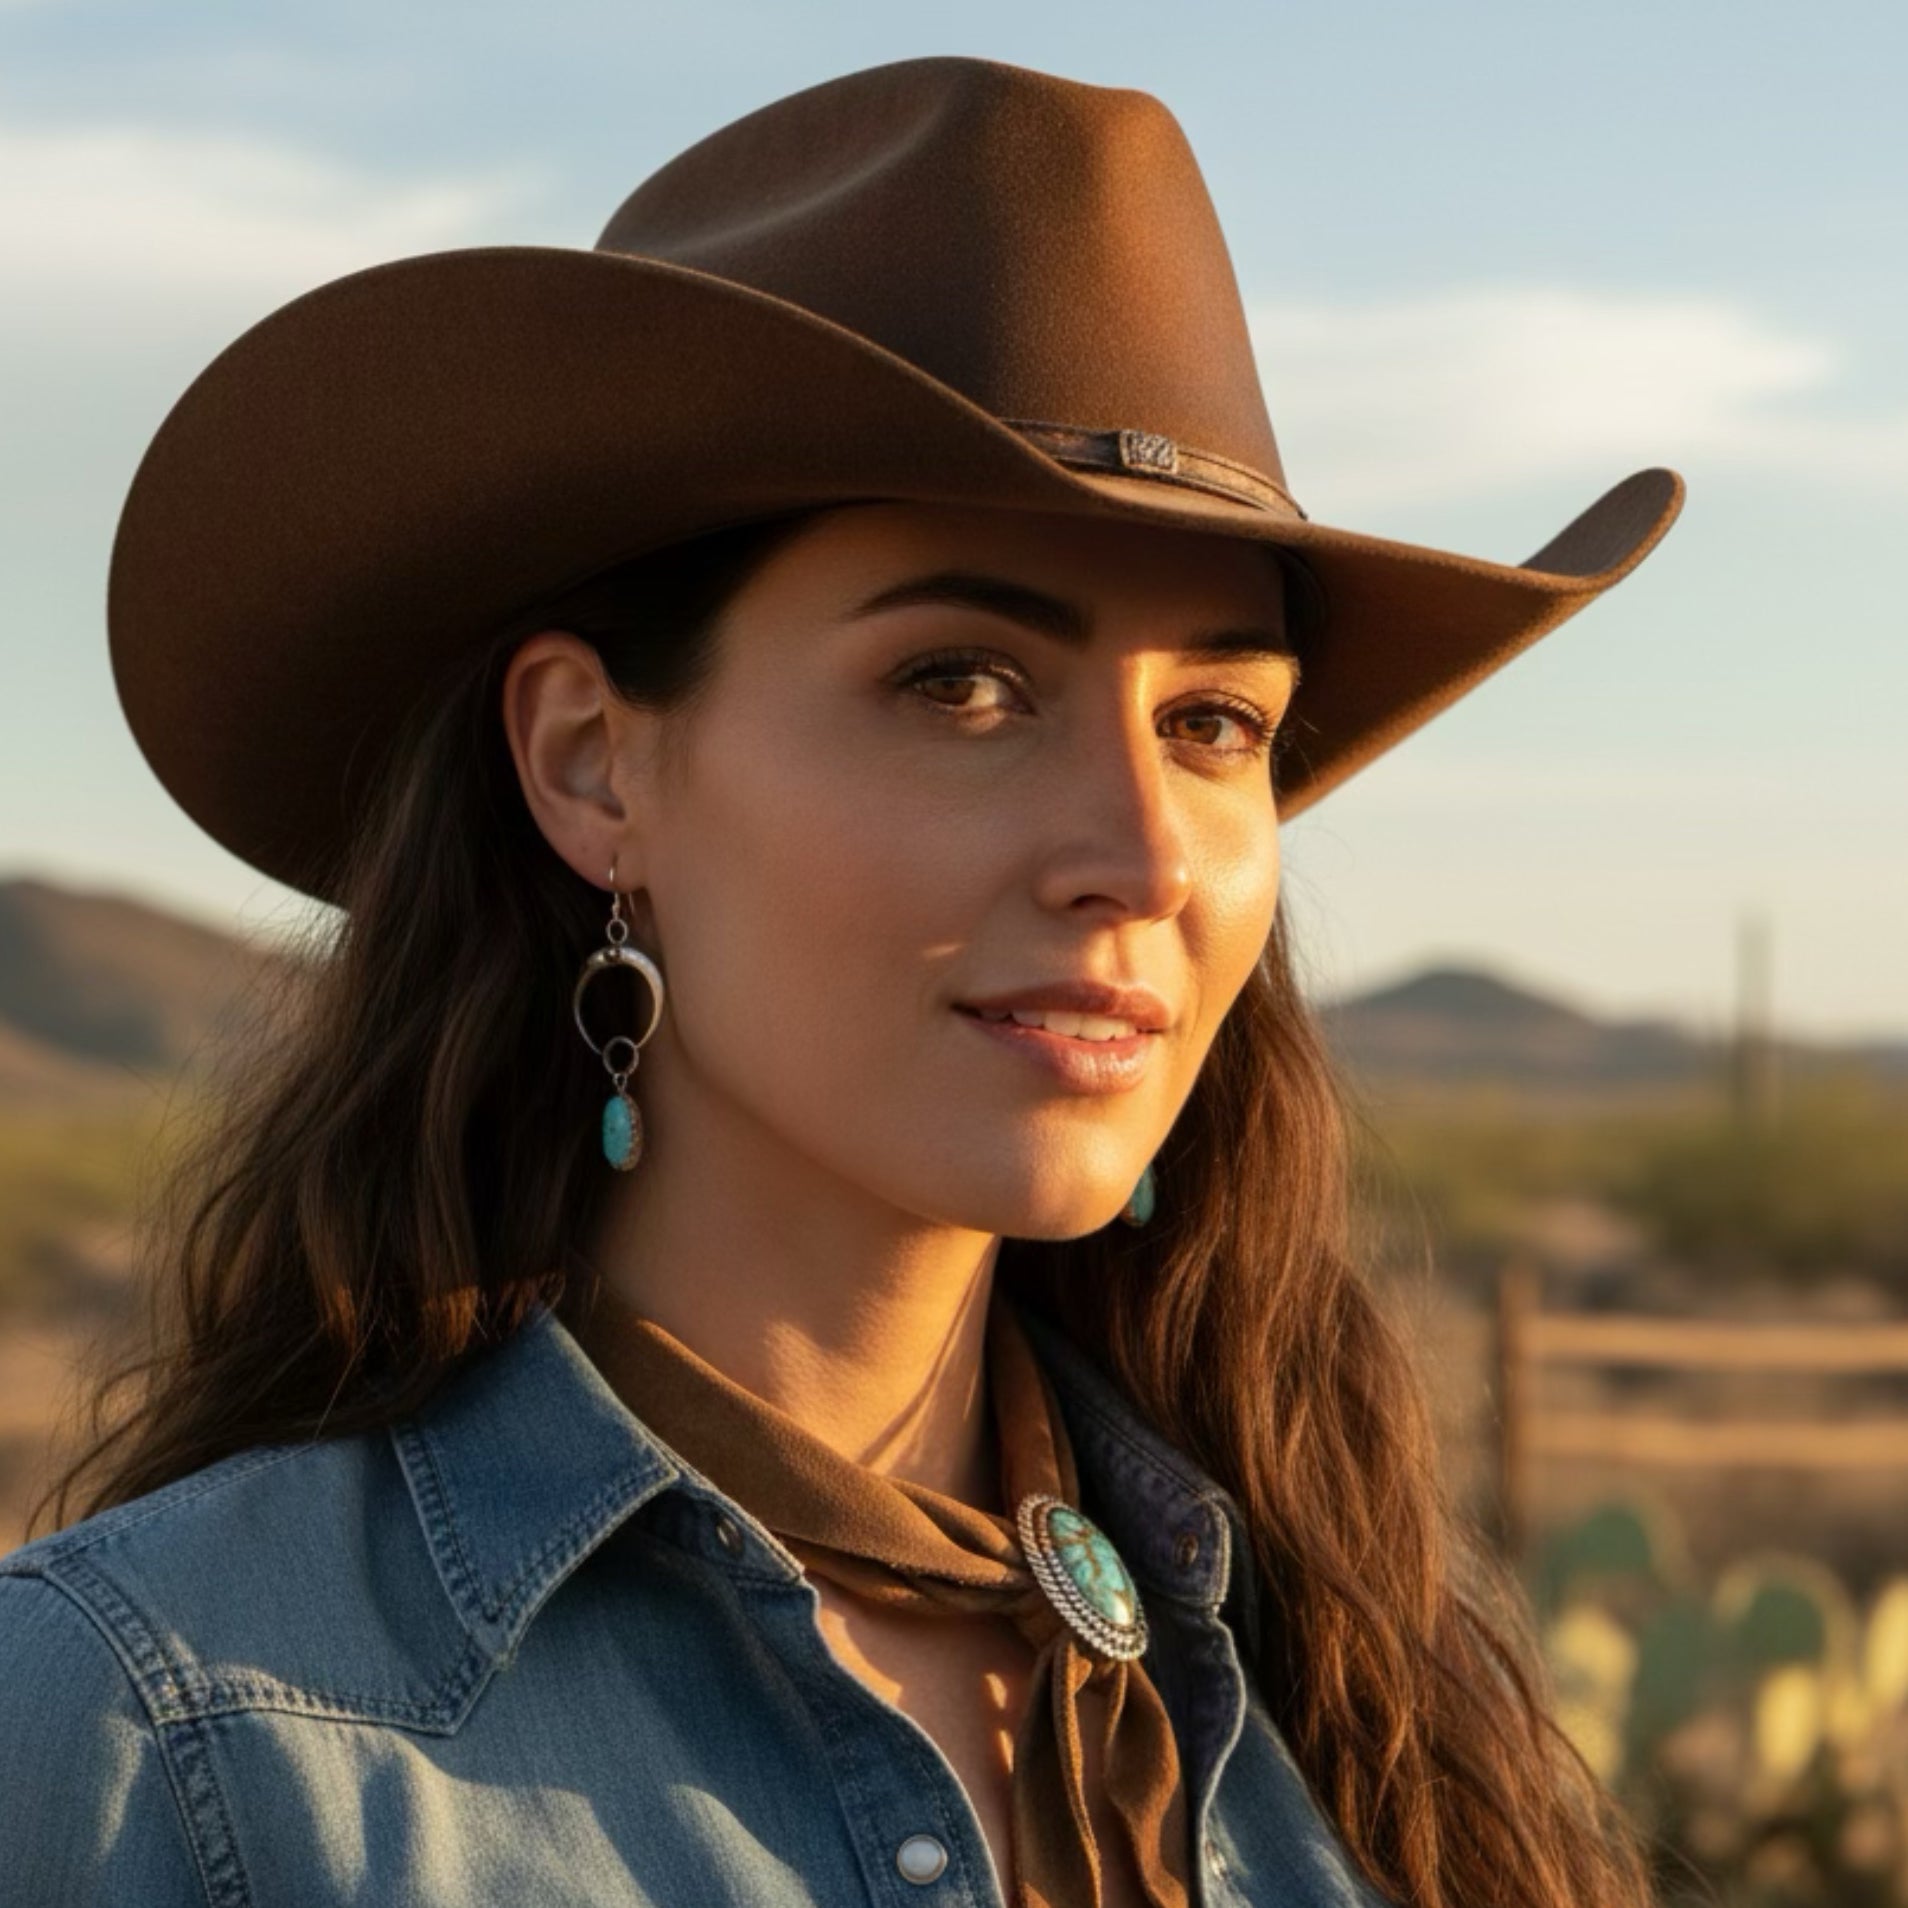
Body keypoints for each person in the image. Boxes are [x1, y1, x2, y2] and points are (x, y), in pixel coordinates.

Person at [0, 53, 1683, 1908]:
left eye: (1216, 722)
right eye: (962, 684)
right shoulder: (163, 1732)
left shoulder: (1357, 1695)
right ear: (590, 765)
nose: (1138, 853)